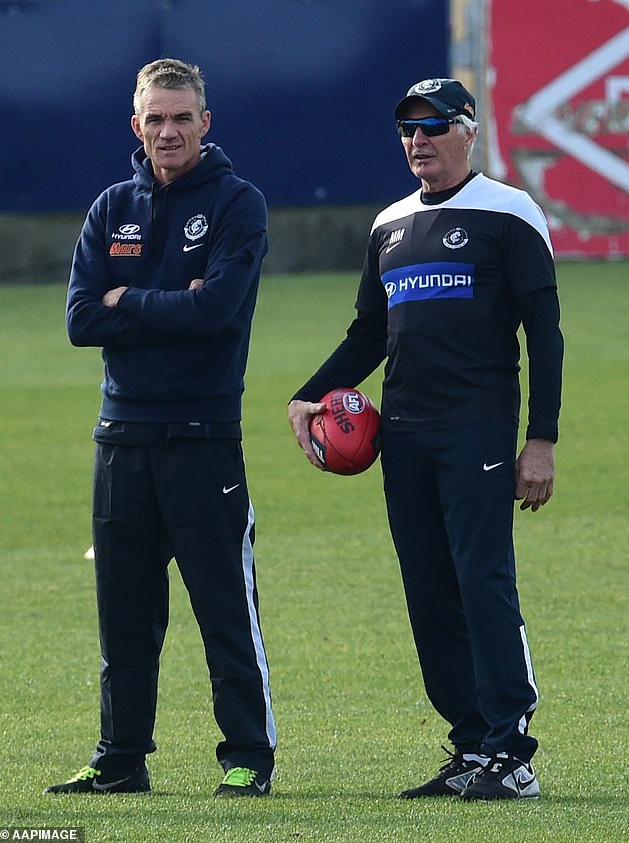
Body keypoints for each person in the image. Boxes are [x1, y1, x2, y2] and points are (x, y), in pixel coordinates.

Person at [288, 78, 563, 801]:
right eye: (408, 128)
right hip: (402, 437)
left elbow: (547, 334)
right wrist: (309, 393)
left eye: (434, 126)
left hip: (478, 428)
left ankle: (514, 751)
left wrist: (541, 439)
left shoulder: (510, 212)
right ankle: (472, 745)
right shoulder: (389, 225)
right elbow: (369, 334)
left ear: (469, 131)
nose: (418, 140)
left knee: (483, 581)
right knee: (430, 592)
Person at [45, 58, 276, 797]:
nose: (168, 131)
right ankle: (121, 756)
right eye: (156, 118)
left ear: (205, 123)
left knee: (223, 610)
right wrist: (171, 297)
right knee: (125, 616)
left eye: (182, 117)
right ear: (136, 124)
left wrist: (131, 299)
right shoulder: (111, 207)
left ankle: (248, 755)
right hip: (120, 441)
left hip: (204, 437)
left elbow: (215, 314)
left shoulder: (240, 205)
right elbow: (82, 319)